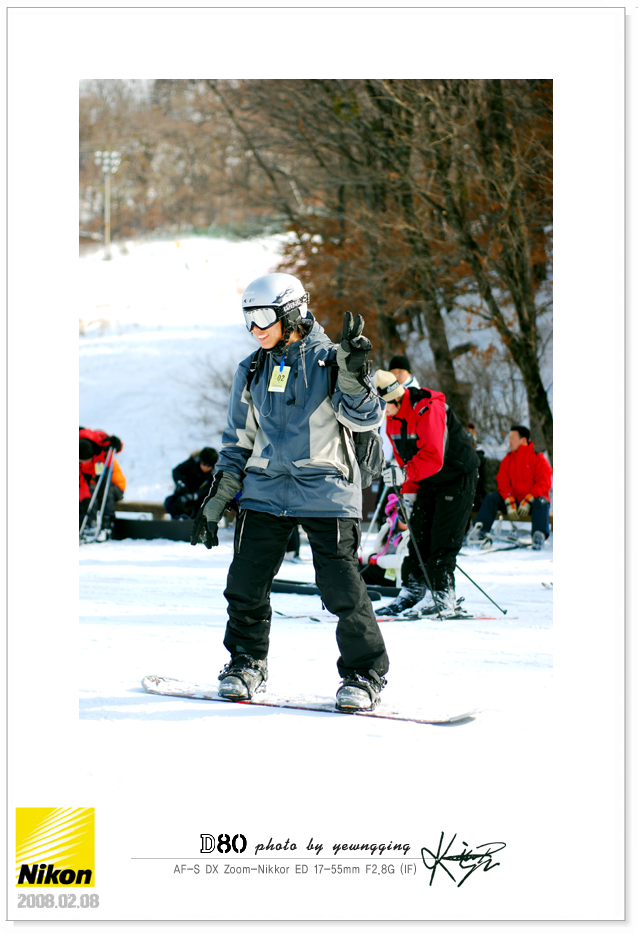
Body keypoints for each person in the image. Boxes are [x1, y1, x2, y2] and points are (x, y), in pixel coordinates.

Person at [190, 272, 390, 712]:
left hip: (325, 489)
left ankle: (364, 673)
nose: (255, 328)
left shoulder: (333, 361)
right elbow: (237, 441)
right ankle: (246, 662)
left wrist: (354, 377)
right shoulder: (252, 369)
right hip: (264, 490)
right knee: (244, 585)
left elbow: (366, 418)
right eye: (248, 318)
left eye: (263, 316)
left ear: (292, 312)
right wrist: (217, 499)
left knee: (342, 590)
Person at [373, 370, 480, 618]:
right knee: (418, 536)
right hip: (427, 479)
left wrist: (404, 473)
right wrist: (408, 498)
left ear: (395, 398)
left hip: (456, 475)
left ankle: (441, 596)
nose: (381, 413)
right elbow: (406, 461)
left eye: (383, 406)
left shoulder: (427, 408)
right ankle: (412, 591)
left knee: (442, 538)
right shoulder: (392, 420)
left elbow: (433, 457)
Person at [468, 425, 552, 551]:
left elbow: (544, 483)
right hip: (513, 503)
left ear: (523, 440)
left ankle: (538, 535)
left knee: (543, 502)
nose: (509, 441)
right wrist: (509, 500)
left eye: (513, 438)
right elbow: (503, 482)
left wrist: (528, 499)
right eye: (509, 438)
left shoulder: (538, 458)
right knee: (491, 498)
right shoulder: (508, 459)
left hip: (532, 503)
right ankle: (480, 530)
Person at [79, 428, 126, 541]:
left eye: (84, 461)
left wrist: (117, 444)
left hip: (116, 486)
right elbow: (81, 485)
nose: (82, 463)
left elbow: (109, 441)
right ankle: (88, 524)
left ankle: (106, 526)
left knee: (102, 491)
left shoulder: (103, 456)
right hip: (94, 486)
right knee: (87, 494)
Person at [360, 492, 409, 587]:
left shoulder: (411, 534)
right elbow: (378, 551)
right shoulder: (388, 530)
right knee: (357, 567)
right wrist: (364, 558)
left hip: (398, 575)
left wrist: (377, 560)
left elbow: (402, 561)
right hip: (386, 570)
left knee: (365, 572)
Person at [164, 447, 219, 519]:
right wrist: (180, 484)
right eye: (204, 464)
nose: (205, 467)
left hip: (200, 499)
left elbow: (210, 489)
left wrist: (194, 495)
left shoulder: (215, 475)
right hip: (185, 493)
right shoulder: (192, 462)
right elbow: (177, 471)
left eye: (208, 466)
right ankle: (179, 518)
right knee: (169, 501)